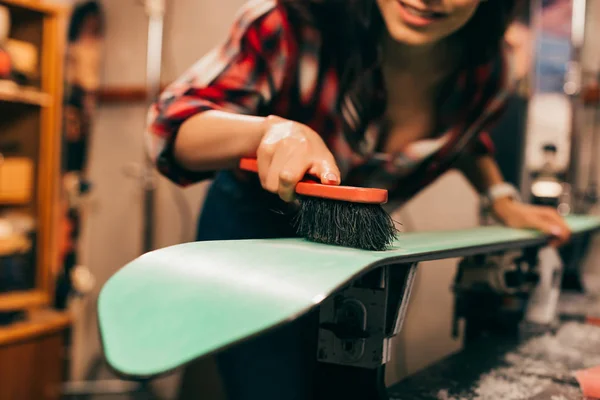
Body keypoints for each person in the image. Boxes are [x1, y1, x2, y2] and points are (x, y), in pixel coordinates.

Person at [146, 0, 572, 398]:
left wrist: (498, 195)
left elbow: (464, 136)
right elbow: (169, 126)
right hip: (252, 236)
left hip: (354, 248)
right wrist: (269, 132)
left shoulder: (488, 71)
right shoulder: (290, 25)